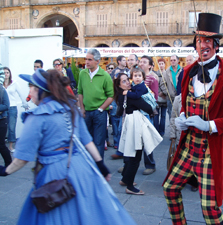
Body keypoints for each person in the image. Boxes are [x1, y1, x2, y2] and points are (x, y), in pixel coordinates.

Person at [0, 68, 137, 225]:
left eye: (31, 86)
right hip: (80, 167)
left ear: (40, 91)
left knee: (55, 215)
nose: (29, 90)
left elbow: (22, 159)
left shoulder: (37, 117)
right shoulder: (69, 108)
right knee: (86, 211)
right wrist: (100, 165)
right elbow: (86, 140)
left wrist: (5, 171)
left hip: (53, 173)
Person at [163, 13, 223, 225]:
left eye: (208, 40)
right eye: (199, 40)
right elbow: (185, 102)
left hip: (212, 150)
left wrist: (210, 125)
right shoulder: (188, 71)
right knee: (169, 189)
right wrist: (182, 117)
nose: (203, 45)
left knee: (209, 208)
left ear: (216, 45)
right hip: (188, 147)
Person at [114, 73, 162, 195]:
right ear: (119, 85)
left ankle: (125, 179)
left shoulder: (123, 95)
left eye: (127, 80)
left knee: (130, 153)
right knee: (135, 156)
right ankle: (130, 186)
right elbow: (148, 108)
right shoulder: (131, 96)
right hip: (135, 126)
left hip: (130, 124)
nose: (128, 83)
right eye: (124, 81)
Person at [78, 48, 114, 159]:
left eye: (90, 59)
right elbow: (80, 92)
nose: (87, 62)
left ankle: (98, 168)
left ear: (97, 61)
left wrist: (101, 109)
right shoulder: (82, 73)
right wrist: (82, 109)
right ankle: (88, 167)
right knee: (86, 141)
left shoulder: (105, 75)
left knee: (98, 142)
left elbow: (111, 96)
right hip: (86, 112)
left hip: (99, 113)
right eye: (86, 59)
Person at [138, 55, 158, 175]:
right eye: (140, 62)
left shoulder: (153, 78)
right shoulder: (135, 76)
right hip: (134, 112)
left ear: (150, 65)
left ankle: (150, 164)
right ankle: (129, 164)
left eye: (144, 62)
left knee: (147, 140)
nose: (141, 64)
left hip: (145, 113)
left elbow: (154, 97)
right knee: (132, 138)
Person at [3, 67, 29, 152]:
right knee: (3, 127)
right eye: (4, 73)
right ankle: (2, 146)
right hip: (3, 108)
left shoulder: (14, 83)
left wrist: (25, 104)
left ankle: (11, 146)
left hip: (12, 107)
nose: (6, 74)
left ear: (10, 74)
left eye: (7, 72)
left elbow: (21, 94)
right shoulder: (1, 84)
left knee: (11, 127)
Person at [160, 55, 182, 119]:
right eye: (171, 60)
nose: (173, 62)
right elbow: (162, 84)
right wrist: (168, 92)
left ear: (178, 61)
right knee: (171, 114)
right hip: (170, 98)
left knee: (180, 114)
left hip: (180, 96)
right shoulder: (166, 72)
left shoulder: (182, 70)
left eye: (174, 60)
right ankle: (172, 128)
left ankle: (179, 128)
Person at [0, 63, 11, 168]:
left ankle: (9, 163)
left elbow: (6, 106)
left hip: (2, 121)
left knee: (1, 145)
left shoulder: (2, 90)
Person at [154, 58, 167, 136]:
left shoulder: (167, 73)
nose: (161, 65)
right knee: (156, 115)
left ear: (165, 64)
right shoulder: (156, 74)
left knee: (163, 115)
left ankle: (162, 131)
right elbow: (155, 85)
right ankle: (156, 130)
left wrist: (164, 93)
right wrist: (159, 92)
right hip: (157, 97)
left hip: (165, 98)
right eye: (160, 64)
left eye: (162, 63)